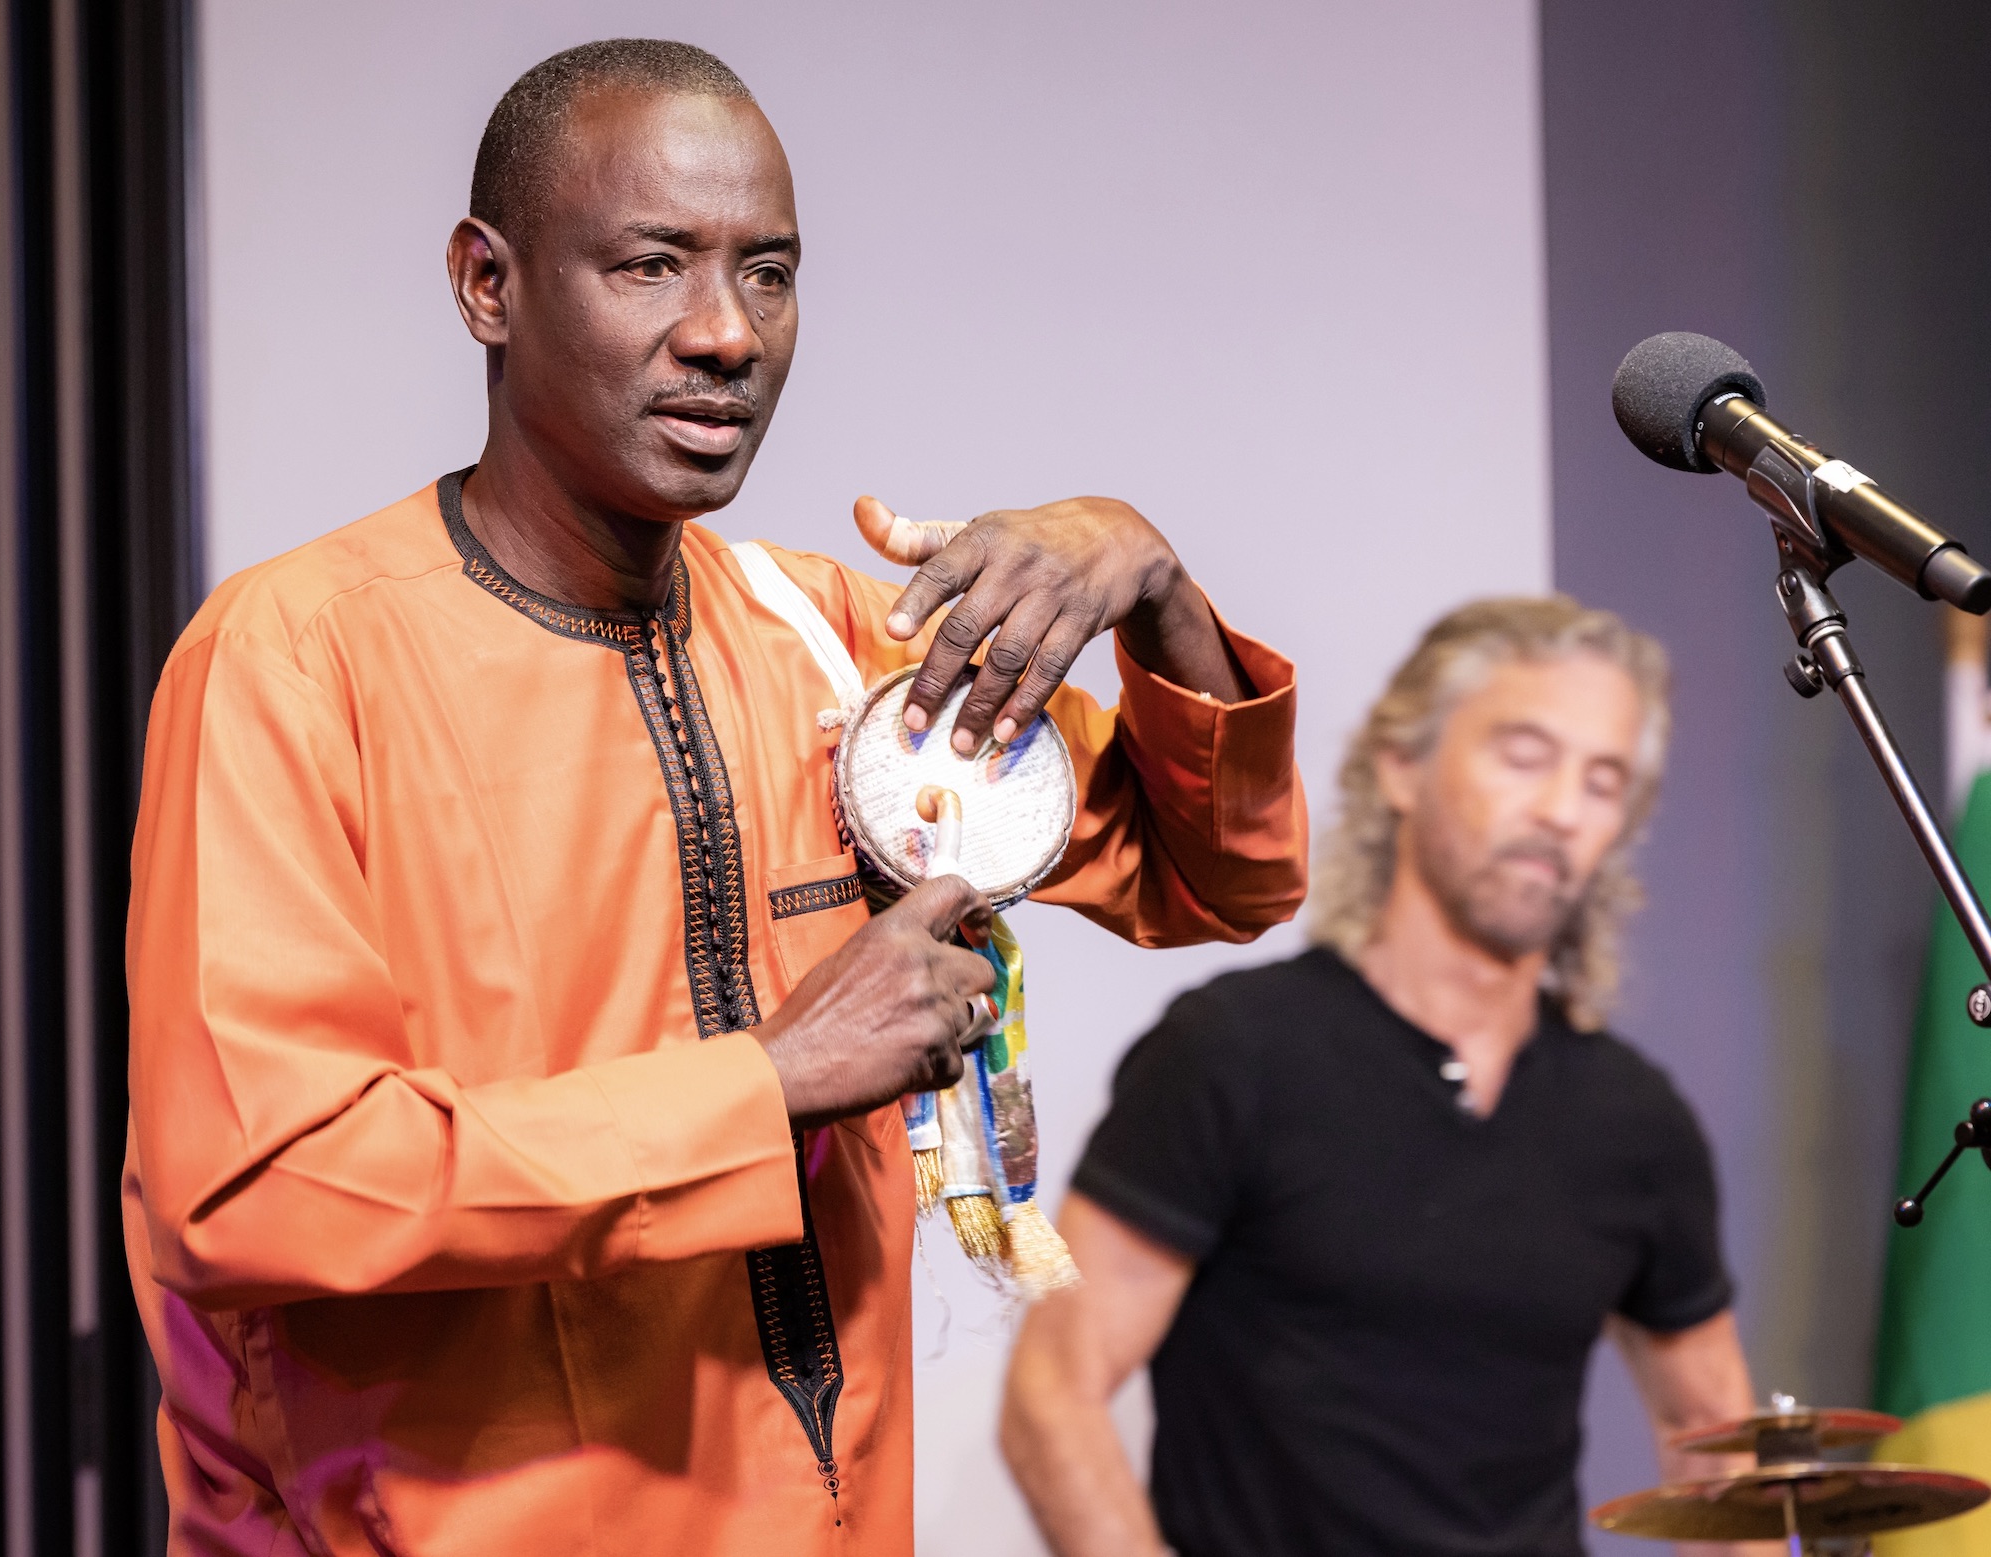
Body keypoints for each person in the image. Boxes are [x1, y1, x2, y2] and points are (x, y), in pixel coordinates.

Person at [123, 40, 1306, 1557]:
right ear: (490, 285)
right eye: (652, 265)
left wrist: (1155, 585)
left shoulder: (835, 644)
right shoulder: (296, 656)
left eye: (770, 274)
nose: (724, 334)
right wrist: (766, 1081)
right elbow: (260, 1188)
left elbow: (1221, 877)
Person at [1002, 596, 1761, 1557]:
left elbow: (1720, 1457)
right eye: (1524, 755)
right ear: (1401, 765)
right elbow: (1050, 1396)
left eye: (1603, 780)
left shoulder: (1636, 1122)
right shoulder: (1235, 1052)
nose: (1561, 810)